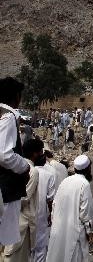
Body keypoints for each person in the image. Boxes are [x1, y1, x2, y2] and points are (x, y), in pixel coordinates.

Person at [0, 77, 31, 247]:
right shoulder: (8, 117)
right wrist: (24, 166)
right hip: (5, 190)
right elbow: (4, 154)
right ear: (16, 96)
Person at [46, 155, 93, 262]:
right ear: (88, 169)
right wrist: (89, 231)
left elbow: (54, 204)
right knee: (74, 256)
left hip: (60, 226)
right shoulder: (84, 184)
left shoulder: (66, 181)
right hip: (75, 230)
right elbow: (85, 212)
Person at [3, 138, 42, 261]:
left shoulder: (13, 165)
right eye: (40, 152)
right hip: (22, 223)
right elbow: (24, 198)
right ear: (35, 153)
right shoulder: (32, 171)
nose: (42, 155)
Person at [33, 154, 56, 262]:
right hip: (42, 213)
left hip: (27, 212)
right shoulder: (49, 175)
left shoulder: (27, 171)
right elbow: (50, 198)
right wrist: (51, 214)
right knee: (41, 246)